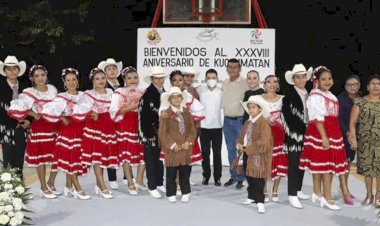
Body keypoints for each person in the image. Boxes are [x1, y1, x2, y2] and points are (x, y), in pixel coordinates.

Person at [299, 66, 350, 210]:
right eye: (323, 79)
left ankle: (317, 192)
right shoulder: (316, 96)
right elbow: (317, 118)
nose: (327, 81)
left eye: (329, 78)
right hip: (322, 131)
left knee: (321, 165)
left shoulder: (330, 95)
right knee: (327, 167)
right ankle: (327, 198)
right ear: (317, 81)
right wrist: (324, 137)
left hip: (332, 130)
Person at [8, 65, 58, 199]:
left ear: (46, 75)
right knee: (40, 159)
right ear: (32, 79)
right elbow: (15, 108)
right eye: (36, 76)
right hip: (40, 128)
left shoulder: (52, 89)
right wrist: (32, 113)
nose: (40, 78)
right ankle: (43, 187)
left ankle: (51, 182)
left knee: (58, 157)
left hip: (54, 128)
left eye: (42, 74)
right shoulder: (29, 92)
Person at [41, 68, 90, 200]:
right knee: (71, 159)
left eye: (74, 79)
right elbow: (48, 111)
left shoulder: (84, 96)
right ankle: (78, 188)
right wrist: (62, 118)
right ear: (64, 82)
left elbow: (90, 111)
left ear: (78, 81)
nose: (71, 82)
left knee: (75, 158)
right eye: (68, 80)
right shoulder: (61, 97)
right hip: (67, 131)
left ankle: (68, 186)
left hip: (81, 131)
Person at [79, 68, 119, 199]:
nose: (101, 81)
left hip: (108, 126)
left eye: (103, 78)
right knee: (97, 157)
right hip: (95, 127)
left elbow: (115, 108)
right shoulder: (89, 94)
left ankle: (98, 184)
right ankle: (102, 186)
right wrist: (91, 112)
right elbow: (79, 108)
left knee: (103, 156)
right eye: (97, 78)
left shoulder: (110, 92)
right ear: (93, 81)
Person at [110, 66, 146, 195]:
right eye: (129, 77)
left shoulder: (143, 91)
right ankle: (130, 182)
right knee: (126, 153)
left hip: (140, 123)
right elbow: (115, 111)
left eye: (135, 77)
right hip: (126, 123)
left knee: (143, 152)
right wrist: (132, 107)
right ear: (124, 79)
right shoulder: (119, 92)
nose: (132, 80)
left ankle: (140, 180)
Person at [281, 63, 312, 208]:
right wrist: (303, 129)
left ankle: (298, 190)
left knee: (302, 164)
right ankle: (292, 194)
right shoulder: (289, 95)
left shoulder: (308, 93)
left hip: (307, 134)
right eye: (298, 77)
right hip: (294, 136)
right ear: (293, 79)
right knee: (293, 165)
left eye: (303, 77)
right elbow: (287, 118)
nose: (301, 80)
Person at [158, 87, 196, 203]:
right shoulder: (166, 114)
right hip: (172, 149)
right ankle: (171, 192)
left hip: (184, 147)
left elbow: (191, 129)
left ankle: (186, 192)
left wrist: (188, 142)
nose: (176, 99)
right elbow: (163, 133)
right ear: (169, 100)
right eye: (173, 98)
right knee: (171, 172)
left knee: (185, 172)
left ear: (182, 98)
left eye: (178, 97)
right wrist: (172, 144)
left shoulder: (186, 112)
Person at [236, 95, 273, 213]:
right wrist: (239, 144)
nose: (251, 110)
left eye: (253, 107)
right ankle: (251, 196)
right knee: (249, 175)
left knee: (258, 178)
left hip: (259, 155)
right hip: (247, 153)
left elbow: (264, 141)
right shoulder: (248, 122)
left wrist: (248, 147)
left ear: (260, 109)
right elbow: (241, 136)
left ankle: (260, 201)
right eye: (249, 107)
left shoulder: (263, 123)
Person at [349, 74, 380, 207]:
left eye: (378, 84)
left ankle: (378, 196)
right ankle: (369, 195)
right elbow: (352, 123)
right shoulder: (359, 102)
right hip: (365, 142)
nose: (376, 86)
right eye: (373, 83)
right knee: (367, 170)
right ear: (367, 87)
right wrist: (354, 140)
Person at [138, 66, 167, 199]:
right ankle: (152, 186)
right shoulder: (148, 93)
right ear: (152, 79)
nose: (160, 80)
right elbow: (144, 116)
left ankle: (160, 182)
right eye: (157, 78)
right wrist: (148, 134)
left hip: (161, 131)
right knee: (150, 159)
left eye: (162, 77)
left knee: (159, 158)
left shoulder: (164, 92)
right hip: (150, 132)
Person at [0, 56, 30, 179]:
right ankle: (8, 187)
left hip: (22, 127)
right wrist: (13, 122)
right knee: (7, 158)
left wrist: (29, 120)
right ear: (5, 71)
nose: (12, 71)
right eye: (9, 69)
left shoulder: (25, 87)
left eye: (14, 69)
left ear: (18, 70)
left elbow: (32, 106)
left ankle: (19, 186)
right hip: (6, 127)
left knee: (19, 158)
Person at [98, 58, 126, 190]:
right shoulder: (103, 86)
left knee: (123, 147)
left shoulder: (123, 84)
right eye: (109, 69)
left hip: (123, 120)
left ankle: (127, 176)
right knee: (110, 147)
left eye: (114, 68)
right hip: (108, 121)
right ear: (104, 72)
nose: (112, 71)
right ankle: (112, 177)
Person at [222, 58, 249, 189]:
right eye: (230, 67)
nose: (232, 69)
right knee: (230, 149)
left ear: (240, 69)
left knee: (240, 150)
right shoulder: (225, 83)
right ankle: (233, 176)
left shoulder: (245, 83)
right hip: (227, 121)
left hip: (239, 121)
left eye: (235, 67)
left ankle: (241, 177)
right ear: (227, 69)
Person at [261, 75, 287, 203]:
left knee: (278, 162)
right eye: (269, 82)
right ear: (264, 85)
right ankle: (264, 190)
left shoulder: (283, 100)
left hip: (279, 135)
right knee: (264, 163)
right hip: (264, 135)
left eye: (275, 81)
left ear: (278, 85)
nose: (272, 84)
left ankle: (275, 190)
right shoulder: (258, 99)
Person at [197, 69, 223, 186]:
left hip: (217, 126)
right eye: (209, 77)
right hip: (204, 126)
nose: (211, 80)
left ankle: (217, 177)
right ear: (205, 79)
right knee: (205, 153)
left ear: (217, 79)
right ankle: (206, 176)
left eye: (213, 77)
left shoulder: (221, 91)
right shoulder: (200, 90)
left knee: (217, 153)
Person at [337, 75, 360, 199]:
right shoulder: (340, 99)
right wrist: (348, 133)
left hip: (357, 136)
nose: (352, 87)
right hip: (343, 135)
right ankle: (344, 190)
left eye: (355, 84)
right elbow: (339, 119)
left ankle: (343, 187)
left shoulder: (362, 99)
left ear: (359, 85)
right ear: (345, 87)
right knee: (343, 163)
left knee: (349, 163)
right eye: (349, 85)